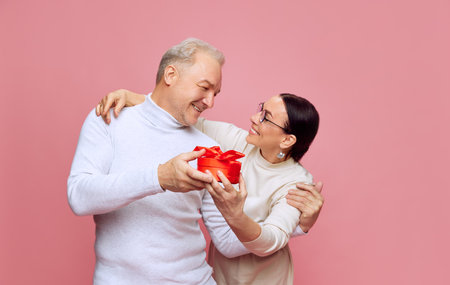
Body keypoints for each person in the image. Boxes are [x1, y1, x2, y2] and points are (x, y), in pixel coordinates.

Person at [69, 38, 323, 285]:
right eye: (204, 87)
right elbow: (80, 198)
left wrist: (245, 217)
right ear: (170, 75)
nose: (211, 102)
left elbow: (225, 240)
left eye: (216, 93)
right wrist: (159, 177)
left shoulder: (210, 148)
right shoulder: (110, 117)